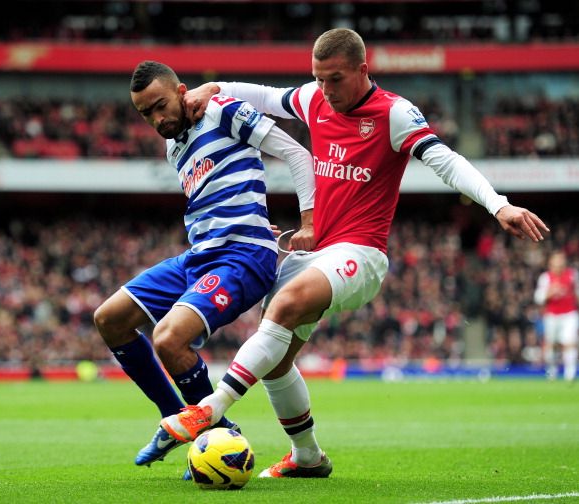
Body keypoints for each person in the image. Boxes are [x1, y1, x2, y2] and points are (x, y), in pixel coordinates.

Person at [157, 28, 550, 478]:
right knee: (276, 363)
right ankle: (308, 457)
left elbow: (445, 160)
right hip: (317, 254)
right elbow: (266, 97)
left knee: (281, 309)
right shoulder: (315, 99)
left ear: (363, 70)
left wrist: (499, 204)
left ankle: (207, 410)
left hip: (361, 254)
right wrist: (215, 88)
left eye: (335, 79)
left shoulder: (394, 113)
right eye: (318, 79)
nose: (325, 91)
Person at [94, 60, 315, 468]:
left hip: (243, 255)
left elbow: (297, 154)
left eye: (160, 106)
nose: (156, 119)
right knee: (109, 318)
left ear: (181, 91)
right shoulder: (172, 146)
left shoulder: (222, 109)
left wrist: (310, 221)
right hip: (200, 254)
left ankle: (217, 437)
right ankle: (174, 418)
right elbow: (220, 193)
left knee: (168, 338)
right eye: (146, 114)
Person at [534, 250, 579, 381]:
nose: (559, 263)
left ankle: (570, 373)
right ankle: (552, 370)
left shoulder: (573, 275)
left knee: (569, 341)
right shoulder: (545, 277)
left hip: (569, 314)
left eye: (561, 260)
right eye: (556, 260)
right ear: (551, 263)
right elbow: (538, 298)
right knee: (551, 343)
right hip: (552, 315)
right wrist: (550, 292)